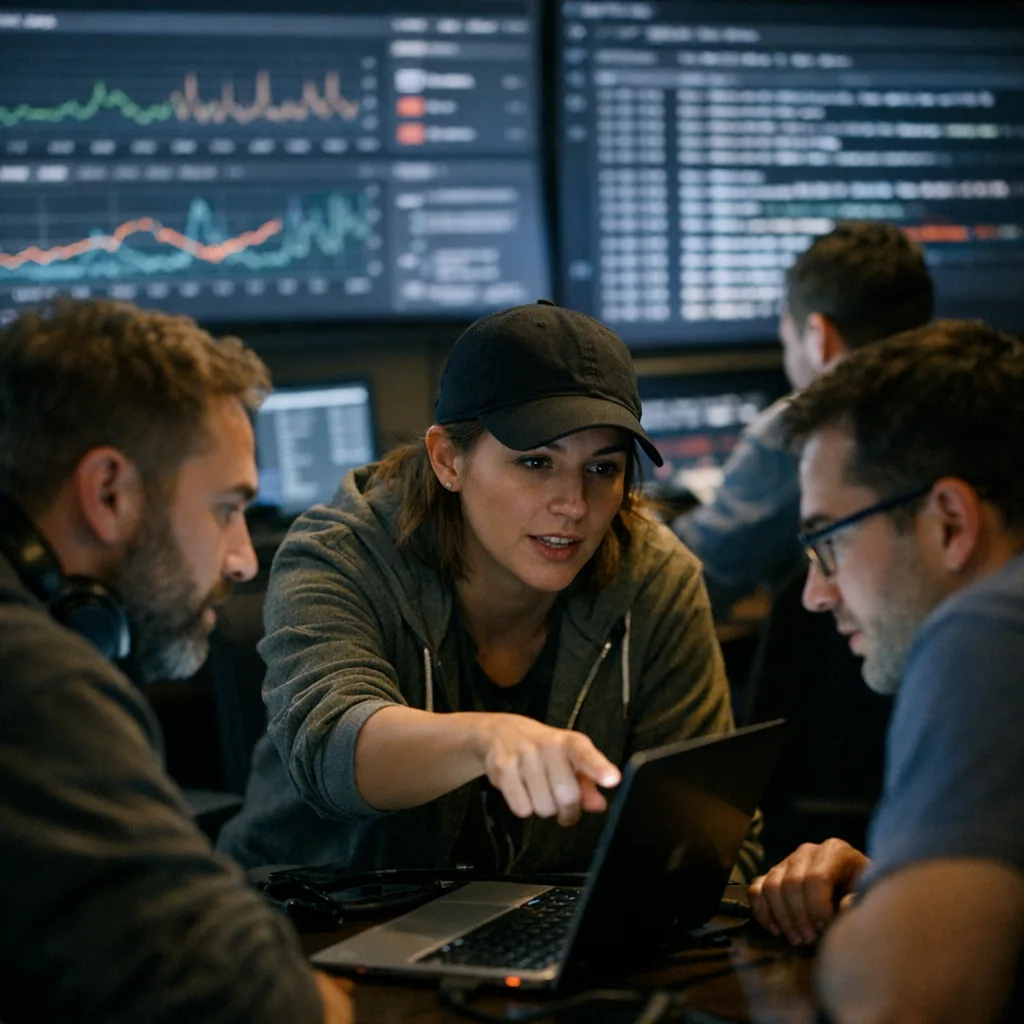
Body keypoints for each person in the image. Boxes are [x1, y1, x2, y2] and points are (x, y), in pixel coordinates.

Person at [219, 300, 760, 879]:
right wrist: (486, 739)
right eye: (535, 463)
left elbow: (711, 839)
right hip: (310, 919)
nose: (574, 505)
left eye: (603, 469)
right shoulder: (342, 553)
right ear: (448, 459)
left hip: (535, 933)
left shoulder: (655, 577)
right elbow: (330, 751)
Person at [0, 300, 352, 1024]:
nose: (244, 559)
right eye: (226, 509)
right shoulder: (31, 681)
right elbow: (255, 1006)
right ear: (109, 493)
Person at [747, 321, 1024, 1022]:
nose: (815, 594)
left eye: (827, 538)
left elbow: (896, 998)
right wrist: (905, 884)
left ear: (949, 523)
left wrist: (873, 927)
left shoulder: (984, 631)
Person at [674, 221, 935, 619]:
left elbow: (688, 580)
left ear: (819, 336)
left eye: (787, 340)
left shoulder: (800, 432)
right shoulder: (963, 402)